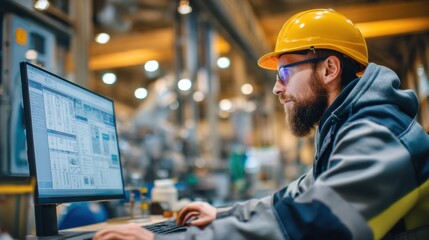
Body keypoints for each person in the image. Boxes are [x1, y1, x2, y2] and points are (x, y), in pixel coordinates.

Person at [94, 9, 429, 240]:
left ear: (329, 70)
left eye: (285, 72)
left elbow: (318, 222)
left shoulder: (379, 131)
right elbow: (295, 196)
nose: (277, 88)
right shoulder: (348, 127)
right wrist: (223, 214)